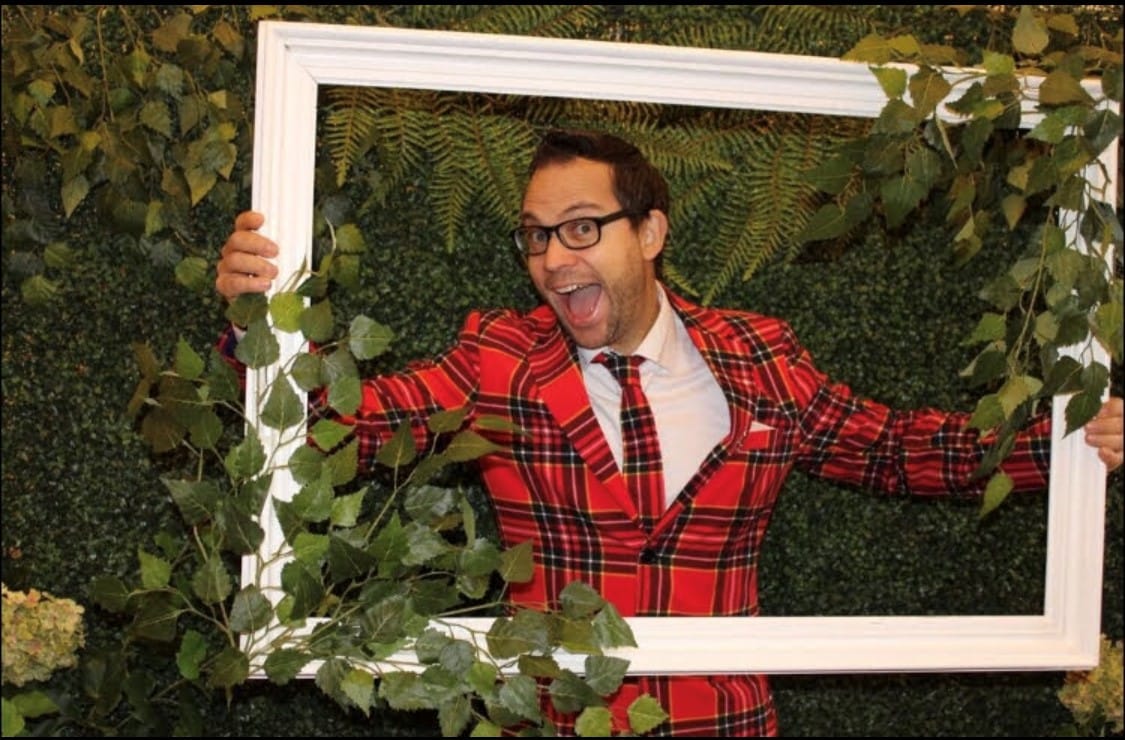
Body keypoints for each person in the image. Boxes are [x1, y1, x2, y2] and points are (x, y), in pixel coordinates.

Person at [215, 129, 1124, 737]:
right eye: (534, 238)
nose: (552, 259)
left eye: (580, 227)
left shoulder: (758, 354)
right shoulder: (495, 359)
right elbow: (342, 428)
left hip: (723, 723)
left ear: (649, 231)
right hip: (547, 723)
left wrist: (1073, 442)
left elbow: (890, 449)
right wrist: (261, 329)